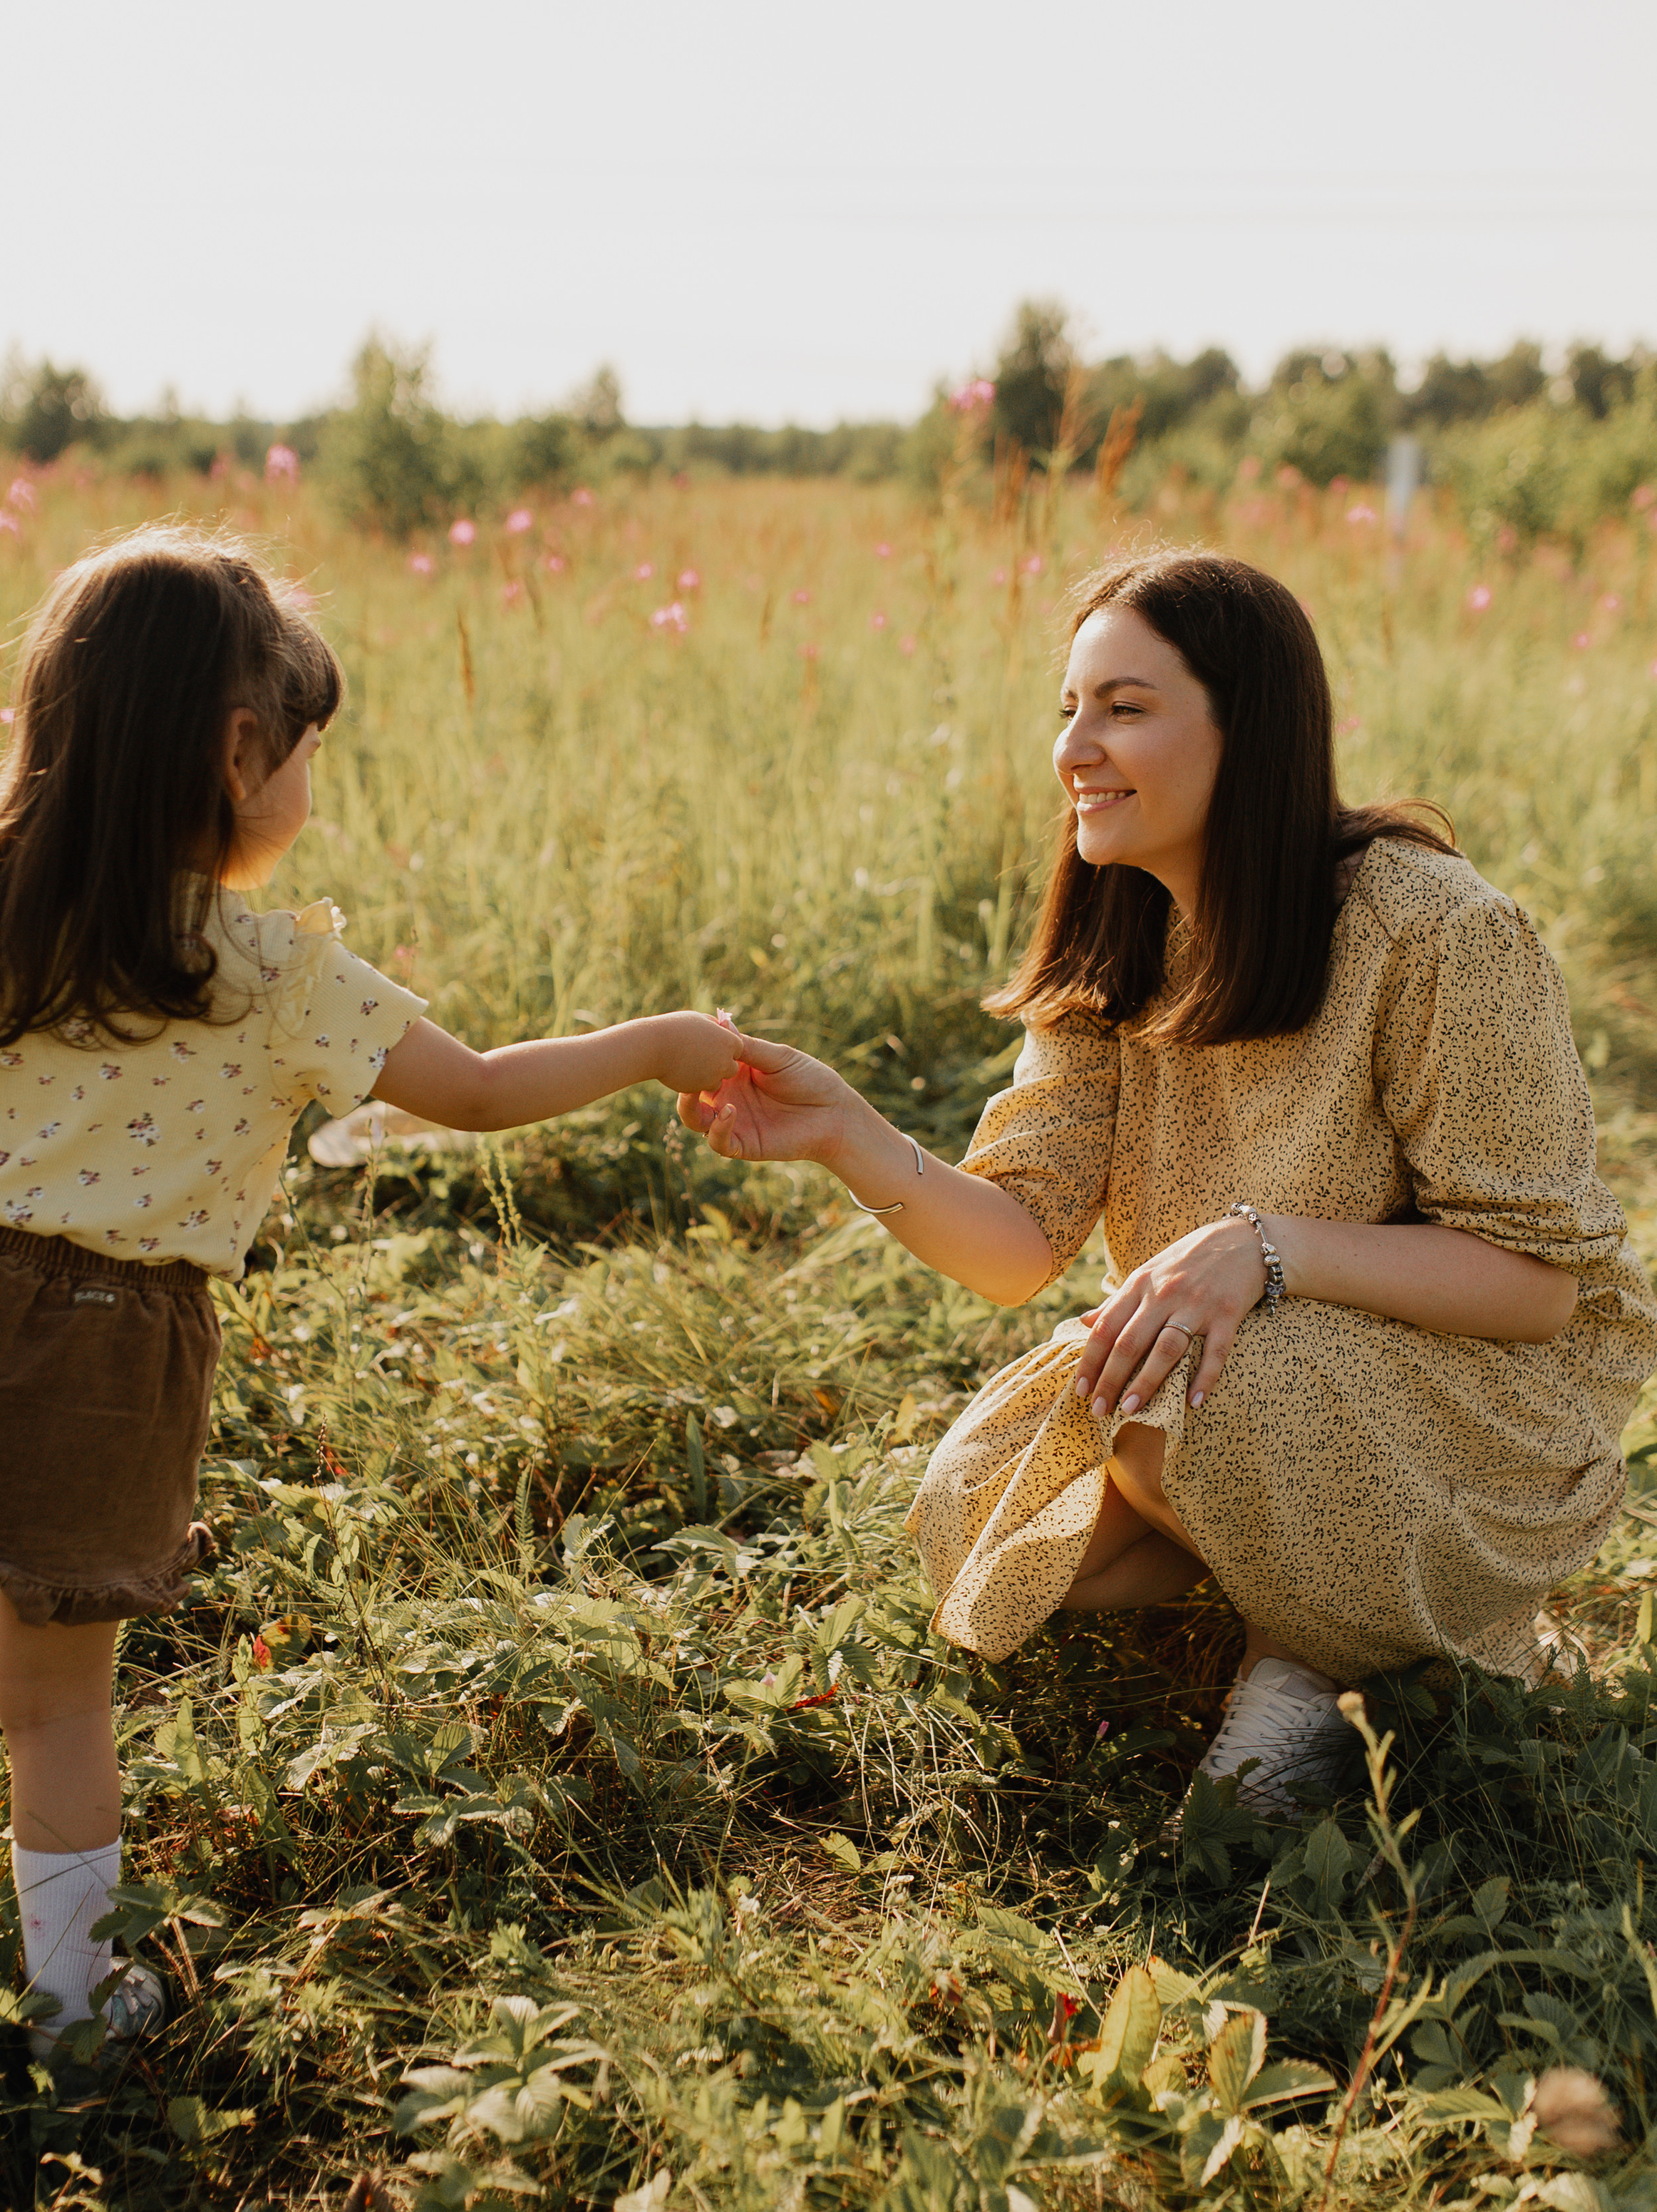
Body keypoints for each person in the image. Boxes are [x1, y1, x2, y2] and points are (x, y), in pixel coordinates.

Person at [0, 528, 745, 2058]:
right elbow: (477, 1091)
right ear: (242, 750)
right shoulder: (273, 977)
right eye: (309, 750)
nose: (312, 779)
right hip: (113, 1371)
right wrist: (656, 1043)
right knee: (54, 1701)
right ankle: (77, 2007)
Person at [680, 549, 1657, 1817]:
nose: (1074, 749)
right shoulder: (1121, 928)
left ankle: (1318, 1663)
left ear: (1249, 730)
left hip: (1485, 1398)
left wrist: (1260, 1246)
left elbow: (1537, 1291)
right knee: (978, 1499)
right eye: (1069, 709)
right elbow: (1017, 1246)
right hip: (1242, 1374)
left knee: (1176, 1394)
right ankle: (1384, 1628)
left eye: (1124, 708)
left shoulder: (1433, 930)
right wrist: (844, 1133)